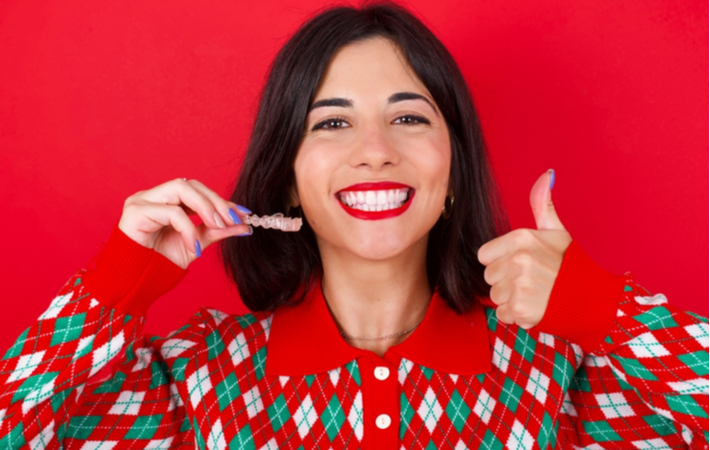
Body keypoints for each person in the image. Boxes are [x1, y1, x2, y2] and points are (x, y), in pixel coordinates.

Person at [0, 2, 707, 449]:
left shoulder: (553, 377)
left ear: (454, 172)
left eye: (409, 117)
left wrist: (600, 309)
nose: (375, 149)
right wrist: (121, 282)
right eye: (332, 123)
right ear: (286, 178)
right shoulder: (196, 380)